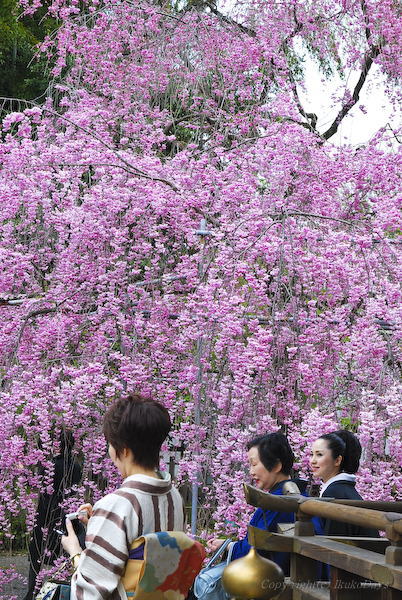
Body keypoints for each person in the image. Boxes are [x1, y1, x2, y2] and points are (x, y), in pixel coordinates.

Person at [62, 393, 186, 600]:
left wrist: (75, 552)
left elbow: (90, 592)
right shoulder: (174, 497)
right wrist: (98, 524)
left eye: (110, 444)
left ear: (124, 450)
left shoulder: (116, 505)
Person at [208, 432, 320, 575]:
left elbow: (256, 548)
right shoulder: (300, 496)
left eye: (254, 464)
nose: (251, 472)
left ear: (276, 466)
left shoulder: (277, 503)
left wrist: (228, 546)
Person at [23, 430, 82, 600]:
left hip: (44, 514)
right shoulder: (75, 466)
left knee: (37, 558)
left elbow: (36, 484)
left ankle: (33, 594)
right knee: (63, 558)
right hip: (65, 515)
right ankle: (59, 593)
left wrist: (24, 472)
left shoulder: (49, 465)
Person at [310, 429, 378, 536]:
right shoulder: (343, 490)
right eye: (312, 454)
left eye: (319, 454)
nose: (312, 461)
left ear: (338, 459)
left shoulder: (335, 493)